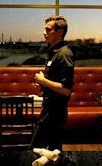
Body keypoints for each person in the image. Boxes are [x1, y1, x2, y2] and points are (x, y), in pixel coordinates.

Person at [29, 15, 75, 151]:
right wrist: (43, 85)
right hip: (49, 109)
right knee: (55, 152)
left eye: (48, 30)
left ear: (59, 32)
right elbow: (55, 82)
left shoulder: (64, 54)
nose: (44, 33)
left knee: (34, 151)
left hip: (55, 113)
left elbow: (66, 89)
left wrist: (44, 81)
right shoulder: (53, 52)